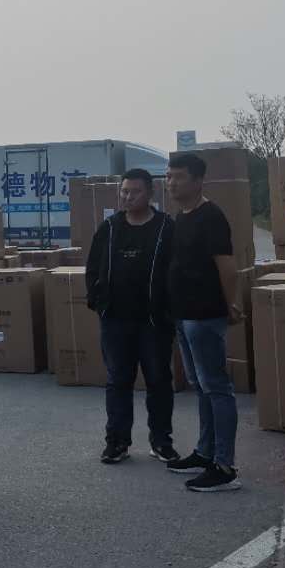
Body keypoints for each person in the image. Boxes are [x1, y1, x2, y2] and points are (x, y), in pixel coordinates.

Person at [84, 169, 179, 466]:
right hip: (115, 321)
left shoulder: (166, 228)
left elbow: (177, 270)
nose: (128, 197)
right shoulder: (110, 228)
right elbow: (93, 268)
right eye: (124, 191)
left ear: (150, 193)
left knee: (159, 380)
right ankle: (117, 442)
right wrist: (99, 303)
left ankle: (161, 441)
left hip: (154, 322)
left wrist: (169, 309)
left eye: (135, 192)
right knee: (118, 381)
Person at [163, 153, 243, 492]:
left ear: (198, 181)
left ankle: (224, 467)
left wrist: (231, 304)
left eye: (179, 177)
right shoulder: (182, 216)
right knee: (201, 386)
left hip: (205, 315)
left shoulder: (211, 217)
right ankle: (204, 452)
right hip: (183, 315)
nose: (171, 183)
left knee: (217, 388)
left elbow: (227, 267)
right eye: (169, 176)